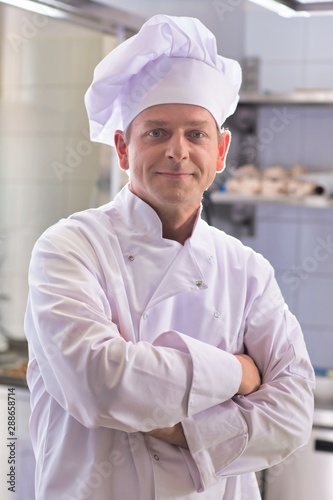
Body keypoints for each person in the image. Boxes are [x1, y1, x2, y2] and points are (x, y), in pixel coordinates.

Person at [25, 14, 314, 500]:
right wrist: (239, 374)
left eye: (196, 134)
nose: (178, 151)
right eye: (156, 132)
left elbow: (292, 412)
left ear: (220, 151)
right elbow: (101, 383)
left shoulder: (247, 270)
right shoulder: (69, 248)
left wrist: (184, 431)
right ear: (122, 148)